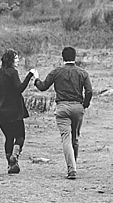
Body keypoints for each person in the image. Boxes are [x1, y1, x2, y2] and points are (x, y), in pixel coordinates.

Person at [33, 46, 92, 180]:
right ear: (75, 57)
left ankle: (71, 169)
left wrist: (36, 79)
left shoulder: (56, 72)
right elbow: (89, 91)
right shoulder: (82, 73)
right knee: (75, 138)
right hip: (77, 107)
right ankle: (73, 165)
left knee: (66, 138)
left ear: (62, 57)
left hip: (62, 107)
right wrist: (85, 105)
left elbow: (42, 87)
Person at [0, 49, 34, 175]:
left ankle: (11, 165)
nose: (18, 60)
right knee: (20, 136)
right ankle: (14, 156)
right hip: (14, 111)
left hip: (0, 112)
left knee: (8, 137)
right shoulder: (12, 72)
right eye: (16, 58)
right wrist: (30, 75)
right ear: (11, 60)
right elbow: (19, 88)